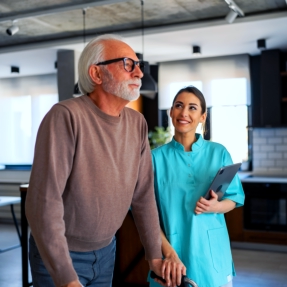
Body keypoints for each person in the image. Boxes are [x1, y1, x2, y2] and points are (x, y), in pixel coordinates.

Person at [25, 34, 164, 287]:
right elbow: (43, 203)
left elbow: (143, 195)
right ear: (97, 74)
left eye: (139, 65)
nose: (140, 73)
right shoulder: (66, 117)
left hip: (106, 251)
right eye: (127, 64)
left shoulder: (137, 124)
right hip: (61, 255)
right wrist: (66, 278)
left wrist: (155, 255)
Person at [149, 86, 245, 287]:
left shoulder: (219, 153)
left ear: (202, 116)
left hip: (213, 256)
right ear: (171, 112)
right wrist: (167, 252)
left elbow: (235, 198)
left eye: (192, 108)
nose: (184, 113)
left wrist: (215, 207)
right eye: (178, 106)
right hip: (172, 254)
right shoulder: (153, 159)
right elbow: (145, 214)